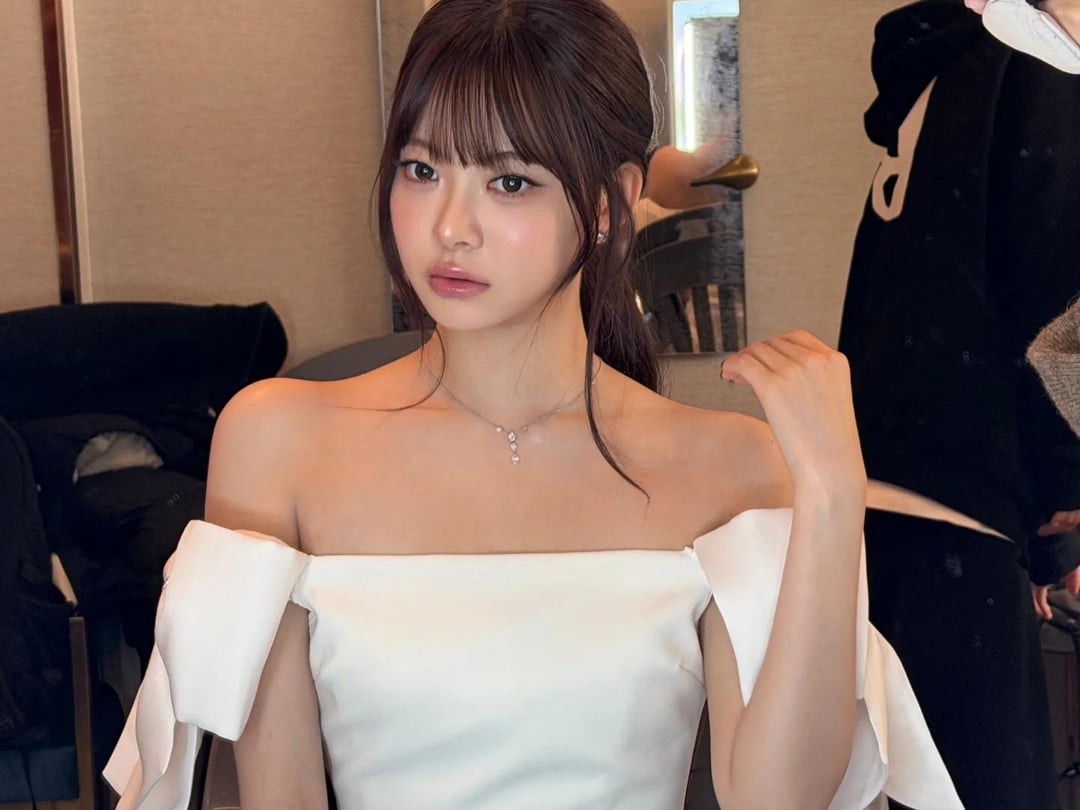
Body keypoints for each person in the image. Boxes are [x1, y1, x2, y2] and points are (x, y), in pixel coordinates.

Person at [103, 2, 962, 808]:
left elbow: (778, 799)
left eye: (508, 182)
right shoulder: (277, 439)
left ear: (609, 204)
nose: (450, 227)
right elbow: (278, 793)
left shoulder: (730, 463)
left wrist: (831, 501)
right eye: (422, 169)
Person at [838, 1, 1080, 806]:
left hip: (880, 500)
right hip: (965, 520)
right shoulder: (1046, 72)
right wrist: (1065, 510)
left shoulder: (950, 66)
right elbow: (1061, 331)